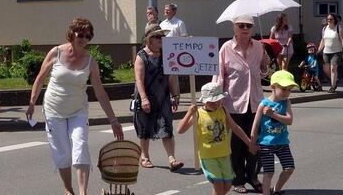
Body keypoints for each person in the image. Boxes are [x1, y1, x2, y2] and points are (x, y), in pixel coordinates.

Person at [26, 18, 124, 195]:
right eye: (81, 35)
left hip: (78, 110)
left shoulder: (90, 61)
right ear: (72, 34)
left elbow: (100, 92)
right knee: (62, 152)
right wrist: (32, 102)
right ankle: (68, 188)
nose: (84, 39)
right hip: (54, 109)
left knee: (80, 146)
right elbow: (40, 78)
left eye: (88, 36)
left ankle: (82, 192)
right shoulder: (56, 53)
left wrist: (113, 119)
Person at [214, 14, 269, 194]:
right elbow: (219, 75)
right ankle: (237, 179)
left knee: (254, 141)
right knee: (236, 144)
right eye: (241, 26)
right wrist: (216, 98)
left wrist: (266, 65)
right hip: (233, 103)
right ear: (234, 28)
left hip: (255, 102)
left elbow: (262, 74)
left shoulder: (259, 46)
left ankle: (252, 177)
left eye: (248, 26)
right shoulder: (226, 48)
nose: (245, 29)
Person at [177, 82, 257, 195]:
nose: (215, 104)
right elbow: (180, 130)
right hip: (208, 156)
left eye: (217, 101)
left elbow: (234, 127)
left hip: (224, 154)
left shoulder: (223, 110)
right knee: (219, 185)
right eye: (211, 102)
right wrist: (189, 113)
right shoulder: (198, 114)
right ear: (204, 100)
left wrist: (249, 142)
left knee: (227, 186)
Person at [132, 24, 183, 172]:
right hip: (146, 96)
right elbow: (139, 80)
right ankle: (145, 157)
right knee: (144, 128)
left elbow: (173, 77)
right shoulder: (141, 56)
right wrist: (144, 99)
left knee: (167, 127)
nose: (160, 39)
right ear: (149, 39)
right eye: (156, 36)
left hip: (163, 96)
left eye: (162, 36)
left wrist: (175, 95)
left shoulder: (168, 54)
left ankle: (172, 159)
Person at [250, 70, 297, 195]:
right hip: (266, 144)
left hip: (282, 143)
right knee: (268, 173)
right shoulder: (263, 104)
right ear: (273, 87)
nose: (286, 93)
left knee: (289, 168)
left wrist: (273, 114)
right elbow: (255, 125)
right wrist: (252, 143)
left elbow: (289, 120)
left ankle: (276, 189)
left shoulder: (286, 102)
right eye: (283, 89)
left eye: (289, 90)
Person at [317, 13, 342, 93]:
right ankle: (335, 80)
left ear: (334, 20)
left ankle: (332, 87)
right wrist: (318, 50)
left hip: (336, 52)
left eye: (331, 19)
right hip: (326, 52)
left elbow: (342, 39)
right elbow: (323, 41)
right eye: (328, 19)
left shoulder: (338, 27)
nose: (329, 21)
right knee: (326, 69)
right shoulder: (324, 28)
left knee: (333, 69)